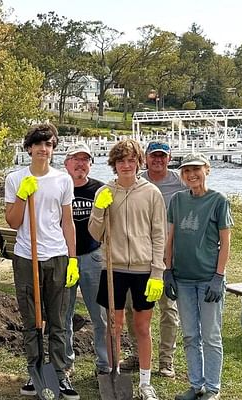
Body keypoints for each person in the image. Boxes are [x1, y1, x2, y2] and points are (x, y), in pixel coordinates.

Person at [4, 123, 79, 399]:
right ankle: (34, 371)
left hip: (56, 256)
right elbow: (12, 222)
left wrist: (72, 258)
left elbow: (68, 223)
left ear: (53, 149)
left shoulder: (63, 180)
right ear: (29, 148)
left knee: (58, 319)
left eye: (48, 145)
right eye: (38, 144)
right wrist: (23, 195)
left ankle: (59, 375)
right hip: (26, 256)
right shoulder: (15, 179)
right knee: (32, 319)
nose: (43, 149)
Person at [88, 138, 166, 400]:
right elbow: (95, 233)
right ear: (114, 164)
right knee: (115, 326)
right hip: (113, 268)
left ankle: (145, 382)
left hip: (144, 269)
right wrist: (100, 210)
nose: (126, 165)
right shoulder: (104, 192)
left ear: (138, 162)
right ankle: (115, 373)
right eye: (121, 161)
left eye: (131, 160)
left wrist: (157, 272)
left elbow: (159, 234)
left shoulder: (151, 193)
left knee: (143, 327)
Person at [166, 153, 232, 400]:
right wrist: (167, 270)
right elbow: (170, 237)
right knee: (190, 334)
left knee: (211, 335)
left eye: (196, 170)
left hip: (208, 279)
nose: (191, 175)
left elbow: (225, 243)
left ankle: (212, 388)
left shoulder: (218, 201)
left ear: (207, 169)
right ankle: (196, 385)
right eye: (186, 171)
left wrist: (218, 276)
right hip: (182, 279)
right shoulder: (177, 200)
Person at [123, 140, 187, 376]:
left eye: (163, 156)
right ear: (146, 158)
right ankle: (138, 355)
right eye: (153, 156)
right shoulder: (135, 180)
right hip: (138, 254)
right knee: (133, 307)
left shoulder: (180, 182)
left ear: (169, 158)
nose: (158, 160)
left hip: (169, 254)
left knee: (168, 308)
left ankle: (166, 360)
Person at [61, 143, 109, 377]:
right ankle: (66, 362)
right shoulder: (59, 187)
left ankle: (104, 363)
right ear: (66, 163)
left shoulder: (101, 190)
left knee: (100, 314)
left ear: (90, 164)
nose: (80, 163)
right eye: (75, 159)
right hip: (64, 258)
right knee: (64, 314)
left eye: (85, 159)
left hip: (93, 257)